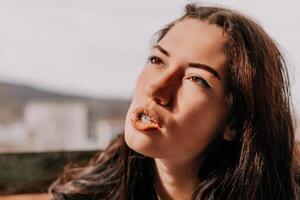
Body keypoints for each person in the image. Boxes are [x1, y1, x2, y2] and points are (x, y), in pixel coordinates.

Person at [49, 3, 297, 200]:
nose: (157, 89)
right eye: (157, 60)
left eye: (196, 79)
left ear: (234, 123)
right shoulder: (86, 196)